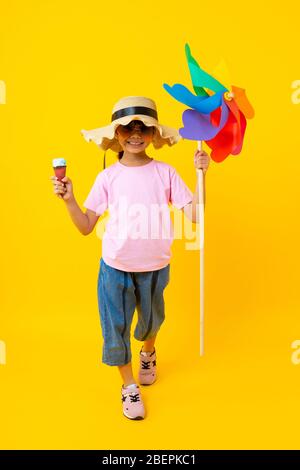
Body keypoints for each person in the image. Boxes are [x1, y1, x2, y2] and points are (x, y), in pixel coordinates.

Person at [50, 96, 210, 420]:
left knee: (152, 322)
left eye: (144, 127)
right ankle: (128, 385)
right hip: (115, 268)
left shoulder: (165, 173)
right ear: (117, 134)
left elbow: (195, 215)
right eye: (128, 127)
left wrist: (200, 175)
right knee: (116, 330)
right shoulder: (108, 178)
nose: (135, 133)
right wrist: (69, 200)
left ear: (153, 134)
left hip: (155, 267)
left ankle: (148, 353)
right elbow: (85, 227)